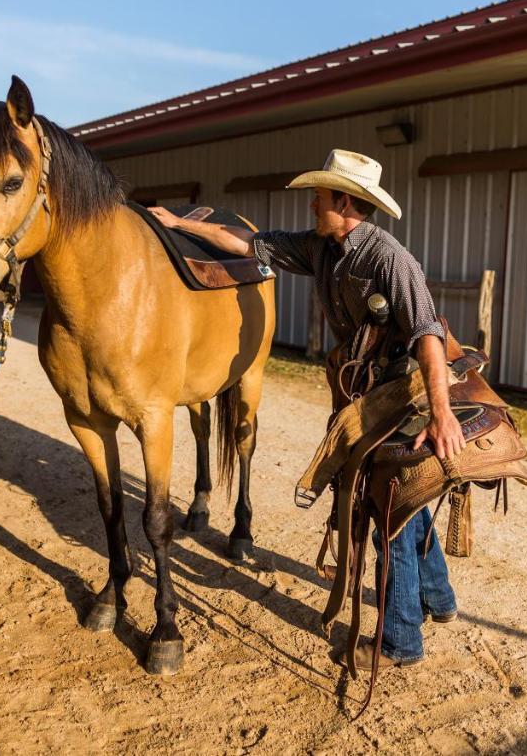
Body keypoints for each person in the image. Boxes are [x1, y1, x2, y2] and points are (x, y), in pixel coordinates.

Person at [148, 149, 464, 669]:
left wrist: (440, 412)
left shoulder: (389, 259)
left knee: (387, 508)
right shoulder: (321, 248)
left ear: (345, 201)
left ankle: (401, 641)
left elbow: (428, 335)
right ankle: (441, 599)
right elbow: (249, 243)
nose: (312, 203)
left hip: (401, 388)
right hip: (365, 392)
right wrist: (179, 222)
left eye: (319, 196)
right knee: (406, 497)